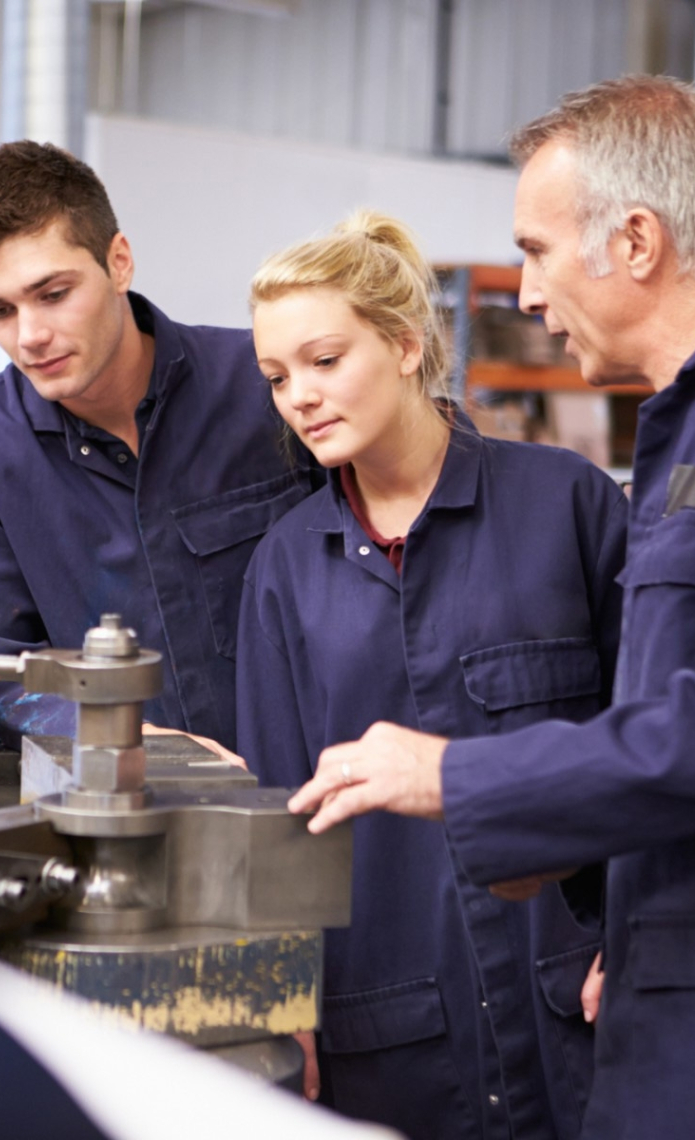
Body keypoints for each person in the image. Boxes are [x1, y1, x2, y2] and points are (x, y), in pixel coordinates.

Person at [288, 75, 695, 1140]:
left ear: (636, 243)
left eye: (537, 250)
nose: (521, 292)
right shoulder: (666, 452)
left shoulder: (570, 496)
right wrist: (575, 874)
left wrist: (453, 774)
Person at [236, 210, 628, 1140]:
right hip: (393, 1032)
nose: (300, 395)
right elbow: (278, 819)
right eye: (278, 377)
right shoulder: (284, 570)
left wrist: (637, 936)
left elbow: (650, 743)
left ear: (407, 345)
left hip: (581, 1000)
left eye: (325, 360)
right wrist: (283, 1008)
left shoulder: (565, 504)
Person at [0, 140, 317, 754]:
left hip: (313, 791)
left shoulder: (263, 385)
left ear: (120, 262)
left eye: (53, 294)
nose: (30, 337)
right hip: (114, 812)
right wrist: (131, 743)